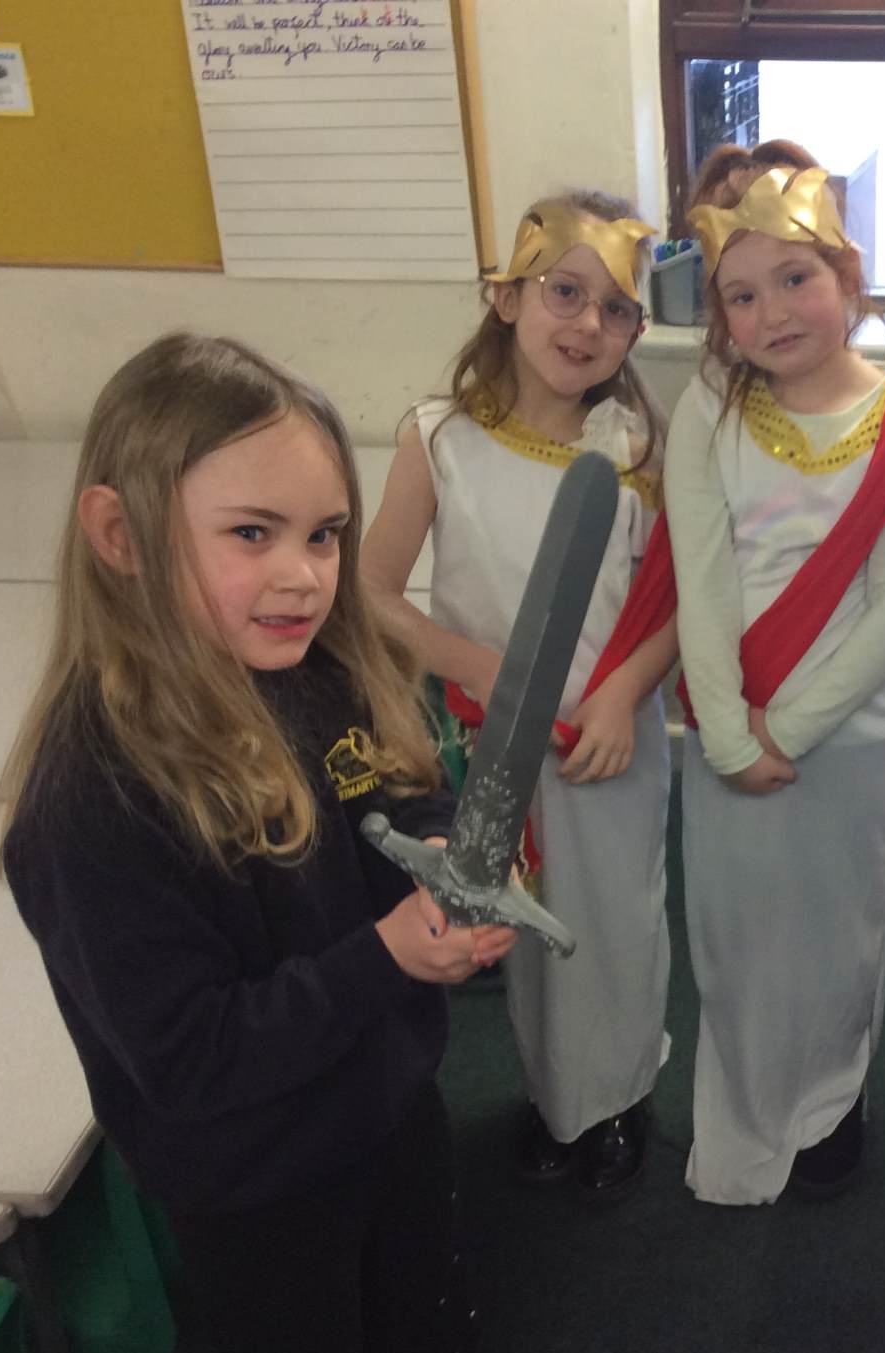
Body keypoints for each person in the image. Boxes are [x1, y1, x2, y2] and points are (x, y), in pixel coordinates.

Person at [0, 332, 512, 1353]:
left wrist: (447, 861)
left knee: (432, 1334)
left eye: (325, 535)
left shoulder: (319, 670)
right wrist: (388, 958)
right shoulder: (90, 805)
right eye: (251, 533)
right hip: (258, 1180)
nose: (304, 575)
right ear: (119, 535)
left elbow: (396, 793)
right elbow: (194, 1059)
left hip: (390, 1107)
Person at [361, 191, 678, 1204]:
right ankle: (555, 1099)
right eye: (564, 293)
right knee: (522, 934)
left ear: (635, 331)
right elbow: (370, 594)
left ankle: (619, 1097)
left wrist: (624, 695)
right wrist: (476, 664)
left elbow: (678, 604)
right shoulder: (439, 438)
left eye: (616, 308)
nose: (587, 324)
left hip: (605, 742)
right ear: (507, 298)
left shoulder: (636, 451)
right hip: (496, 747)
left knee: (615, 924)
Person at [666, 141, 885, 1205]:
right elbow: (701, 579)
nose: (773, 313)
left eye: (795, 278)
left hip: (850, 734)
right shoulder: (709, 405)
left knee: (841, 931)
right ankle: (750, 1114)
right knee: (738, 936)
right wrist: (729, 734)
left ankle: (832, 1102)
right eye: (741, 296)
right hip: (726, 725)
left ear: (848, 275)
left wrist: (785, 732)